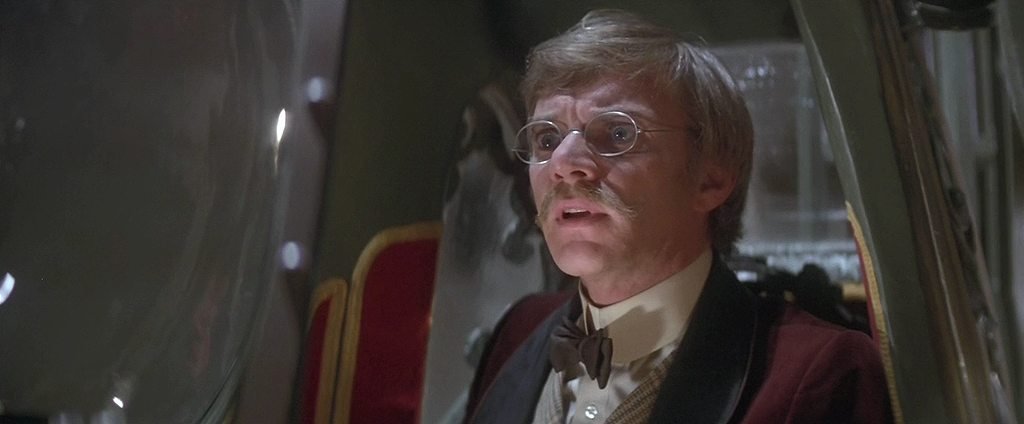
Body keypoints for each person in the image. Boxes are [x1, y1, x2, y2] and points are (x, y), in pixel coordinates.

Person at [464, 9, 892, 424]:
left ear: (711, 179)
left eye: (618, 133)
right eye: (546, 139)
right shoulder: (519, 329)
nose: (563, 163)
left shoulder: (820, 370)